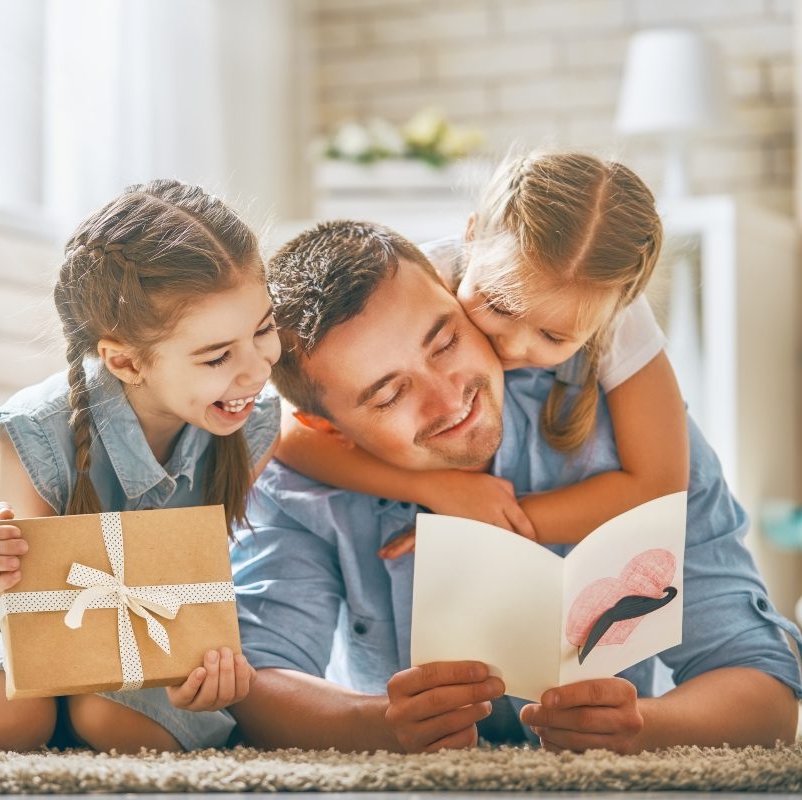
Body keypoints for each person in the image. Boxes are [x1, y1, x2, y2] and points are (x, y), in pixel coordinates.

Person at [229, 218, 802, 754]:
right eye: (389, 394)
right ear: (328, 429)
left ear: (458, 297)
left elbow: (763, 681)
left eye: (446, 342)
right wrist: (372, 722)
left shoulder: (628, 436)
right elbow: (252, 678)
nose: (449, 398)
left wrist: (643, 727)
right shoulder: (296, 480)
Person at [0, 180, 281, 753]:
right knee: (9, 718)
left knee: (119, 725)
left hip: (137, 624)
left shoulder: (251, 423)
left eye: (263, 328)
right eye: (217, 356)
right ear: (124, 361)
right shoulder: (33, 431)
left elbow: (198, 588)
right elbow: (23, 617)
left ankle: (84, 715)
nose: (256, 369)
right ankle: (55, 715)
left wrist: (201, 671)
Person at [277, 152, 685, 548]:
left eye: (553, 337)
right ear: (470, 238)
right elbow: (285, 428)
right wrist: (435, 486)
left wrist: (485, 523)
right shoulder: (414, 283)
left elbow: (659, 483)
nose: (511, 345)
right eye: (498, 306)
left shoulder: (608, 307)